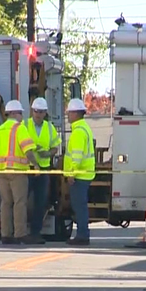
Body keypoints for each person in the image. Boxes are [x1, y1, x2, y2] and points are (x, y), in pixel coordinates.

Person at [0, 100, 40, 245]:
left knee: (5, 203)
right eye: (20, 113)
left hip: (2, 171)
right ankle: (20, 234)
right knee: (19, 202)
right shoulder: (20, 129)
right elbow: (28, 150)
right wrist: (35, 165)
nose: (22, 116)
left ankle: (5, 234)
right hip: (18, 171)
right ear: (14, 113)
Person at [25, 97, 58, 241]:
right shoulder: (25, 125)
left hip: (43, 169)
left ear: (45, 113)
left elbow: (55, 147)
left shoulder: (50, 128)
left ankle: (35, 232)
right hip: (27, 168)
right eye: (36, 111)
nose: (38, 114)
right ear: (32, 111)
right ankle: (19, 231)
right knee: (21, 201)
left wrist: (48, 153)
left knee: (40, 202)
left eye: (41, 112)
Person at [63, 98, 95, 246]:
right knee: (80, 206)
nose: (68, 115)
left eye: (69, 112)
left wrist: (71, 174)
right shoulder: (84, 128)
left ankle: (82, 235)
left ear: (76, 113)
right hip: (85, 174)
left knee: (79, 206)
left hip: (79, 175)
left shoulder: (78, 132)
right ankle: (82, 234)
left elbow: (77, 155)